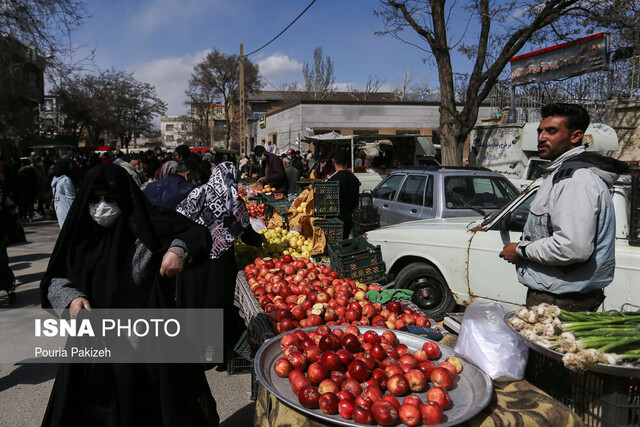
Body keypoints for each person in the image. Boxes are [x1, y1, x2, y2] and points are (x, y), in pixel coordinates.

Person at [39, 164, 218, 426]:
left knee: (153, 408)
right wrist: (71, 299)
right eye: (95, 198)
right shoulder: (79, 236)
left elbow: (194, 233)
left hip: (147, 341)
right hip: (94, 342)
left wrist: (178, 250)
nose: (102, 206)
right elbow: (56, 277)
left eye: (110, 198)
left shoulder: (144, 225)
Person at [499, 103, 629, 312]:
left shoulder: (575, 181)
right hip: (558, 297)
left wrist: (520, 250)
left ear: (576, 136)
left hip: (560, 303)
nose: (541, 137)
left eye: (551, 131)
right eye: (540, 131)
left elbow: (571, 248)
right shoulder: (561, 174)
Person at [176, 162, 264, 366]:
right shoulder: (235, 199)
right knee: (215, 307)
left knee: (192, 303)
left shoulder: (200, 192)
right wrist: (262, 242)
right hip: (219, 262)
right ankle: (210, 354)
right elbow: (247, 233)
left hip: (194, 259)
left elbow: (180, 217)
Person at [327, 150, 361, 238]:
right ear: (347, 162)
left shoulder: (332, 180)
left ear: (333, 161)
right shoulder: (354, 179)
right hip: (348, 219)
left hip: (334, 222)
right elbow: (355, 202)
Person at [50, 159, 76, 229]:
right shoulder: (66, 180)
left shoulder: (55, 179)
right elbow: (71, 197)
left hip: (59, 209)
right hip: (67, 209)